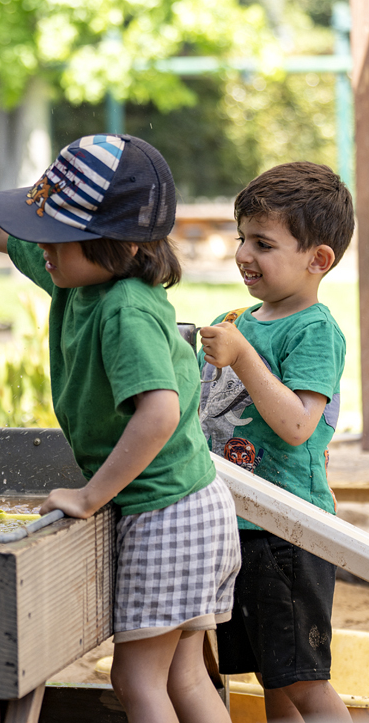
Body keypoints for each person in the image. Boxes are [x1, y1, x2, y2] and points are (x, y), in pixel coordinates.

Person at [0, 134, 241, 723]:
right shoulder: (83, 274)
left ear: (116, 245)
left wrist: (90, 495)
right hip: (191, 505)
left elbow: (158, 414)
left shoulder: (123, 311)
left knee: (137, 682)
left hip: (166, 513)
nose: (41, 246)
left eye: (55, 236)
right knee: (183, 676)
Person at [197, 161, 354, 722]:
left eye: (262, 243)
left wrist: (243, 355)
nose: (243, 253)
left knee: (305, 683)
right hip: (233, 525)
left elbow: (296, 426)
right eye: (242, 238)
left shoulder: (314, 329)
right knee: (273, 685)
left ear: (318, 260)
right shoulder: (234, 317)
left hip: (289, 531)